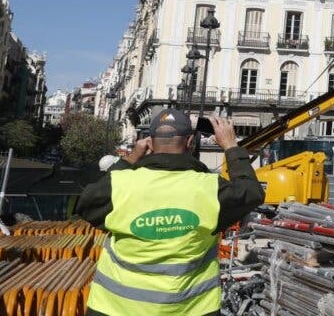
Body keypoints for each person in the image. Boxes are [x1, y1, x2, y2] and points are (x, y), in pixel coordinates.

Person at [76, 110, 264, 316]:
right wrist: (230, 146)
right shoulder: (210, 189)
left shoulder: (119, 184)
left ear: (149, 142)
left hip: (115, 307)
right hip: (190, 309)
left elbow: (85, 203)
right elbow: (251, 192)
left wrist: (130, 159)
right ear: (190, 141)